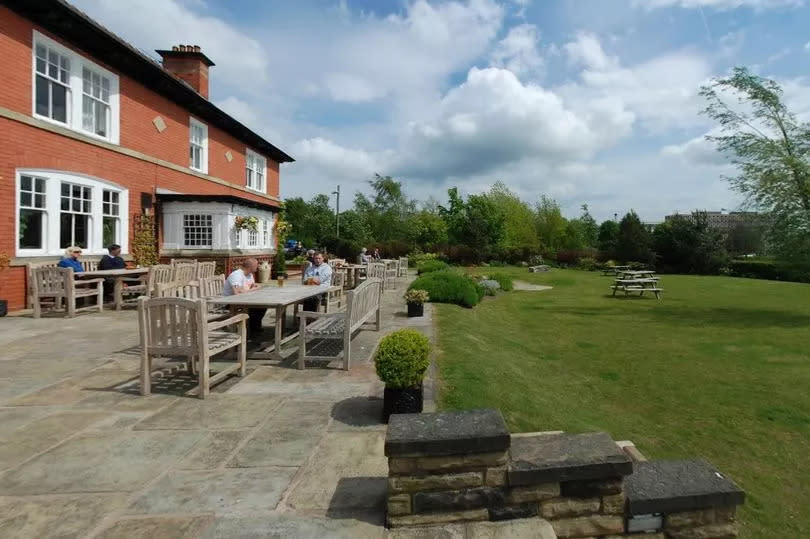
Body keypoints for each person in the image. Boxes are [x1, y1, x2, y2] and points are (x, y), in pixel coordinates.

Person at [224, 258, 266, 338]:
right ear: (251, 266)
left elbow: (251, 286)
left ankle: (254, 329)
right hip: (231, 303)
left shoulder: (249, 275)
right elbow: (238, 293)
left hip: (245, 300)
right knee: (255, 308)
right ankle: (248, 332)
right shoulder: (237, 275)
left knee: (263, 306)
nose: (258, 266)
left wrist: (254, 287)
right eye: (256, 265)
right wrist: (254, 289)